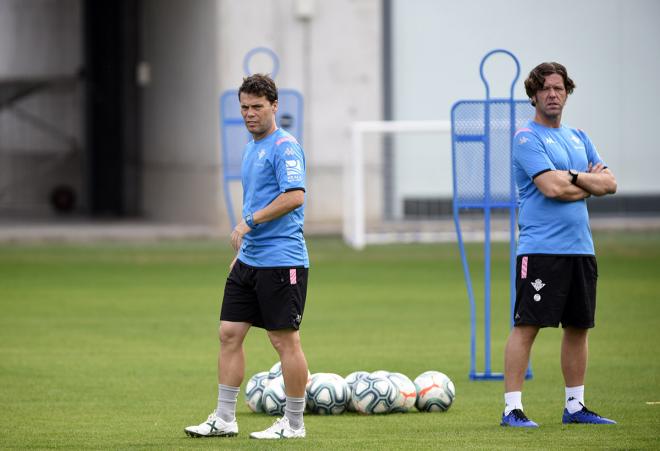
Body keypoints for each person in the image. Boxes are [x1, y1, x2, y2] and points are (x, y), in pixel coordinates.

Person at [185, 74, 310, 439]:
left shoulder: (284, 147)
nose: (250, 114)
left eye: (257, 107)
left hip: (281, 259)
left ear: (274, 106)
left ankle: (295, 424)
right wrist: (244, 253)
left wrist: (248, 223)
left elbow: (295, 196)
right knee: (228, 333)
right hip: (251, 259)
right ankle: (225, 418)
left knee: (284, 341)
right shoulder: (251, 146)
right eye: (244, 107)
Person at [501, 62, 618, 427]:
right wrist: (585, 182)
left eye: (559, 88)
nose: (553, 94)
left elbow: (611, 184)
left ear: (567, 92)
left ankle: (575, 407)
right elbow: (550, 188)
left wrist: (569, 176)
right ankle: (512, 409)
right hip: (540, 250)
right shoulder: (526, 138)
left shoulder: (579, 137)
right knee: (528, 326)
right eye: (546, 89)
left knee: (579, 326)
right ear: (533, 94)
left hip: (581, 248)